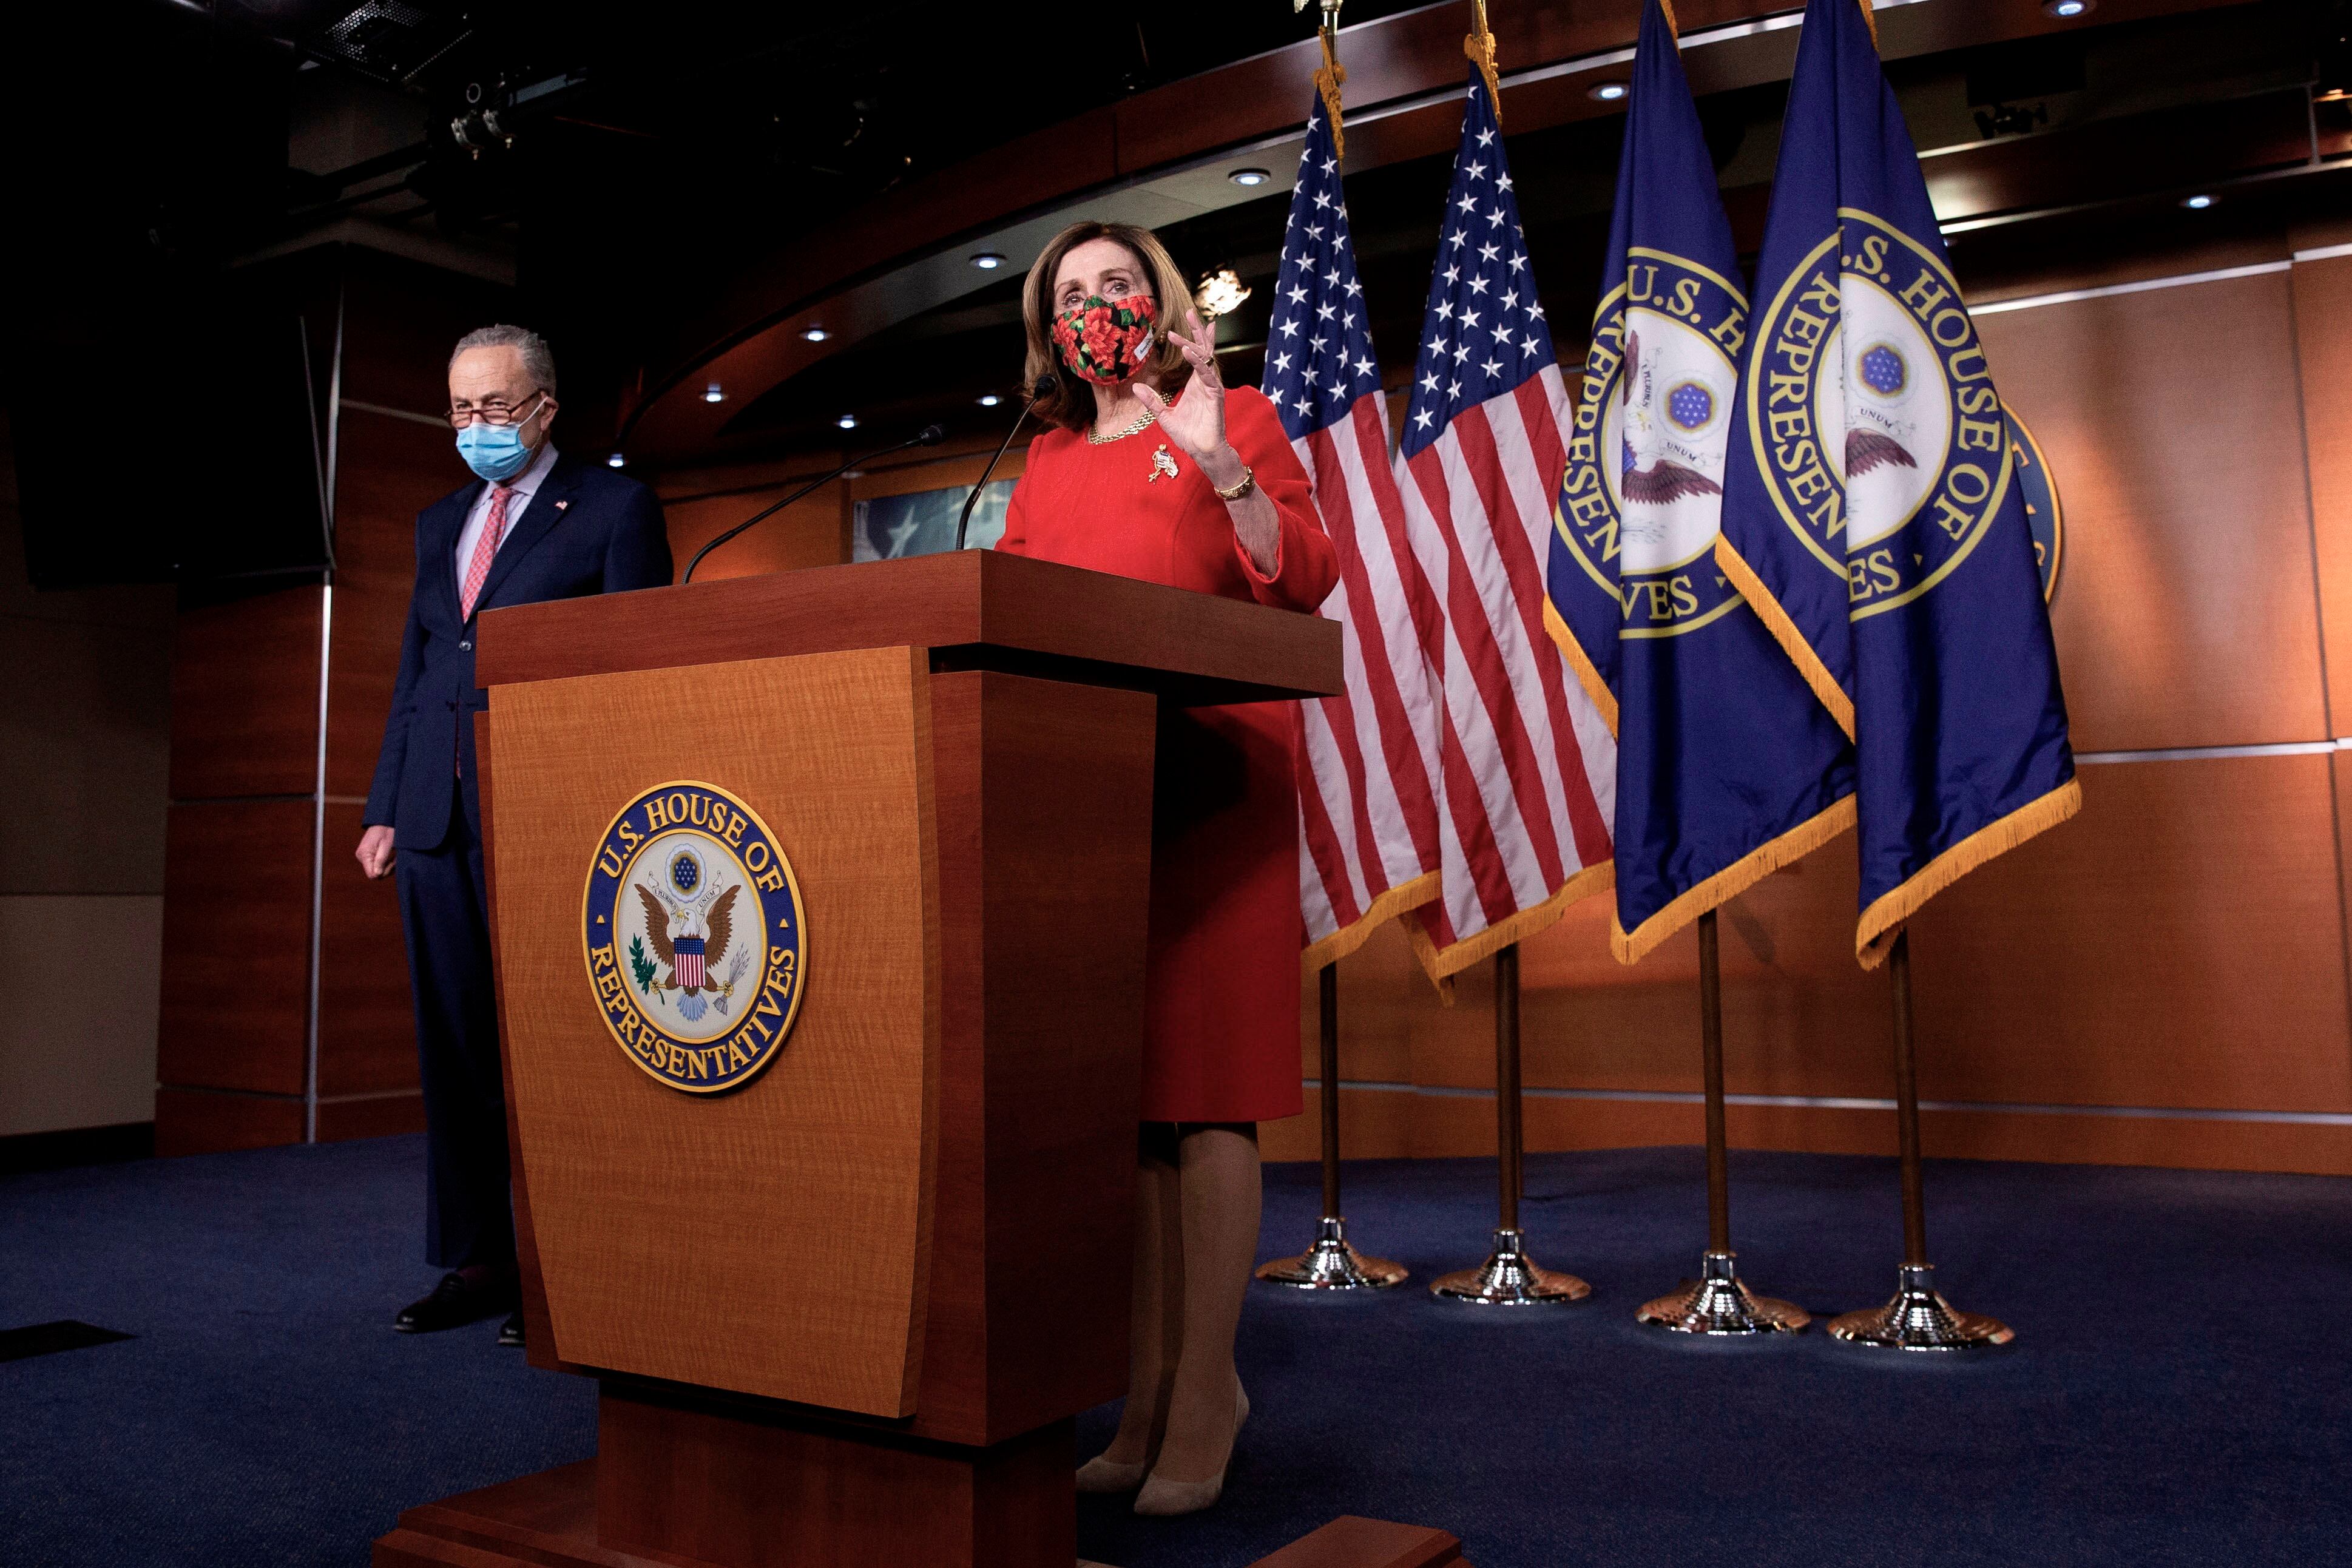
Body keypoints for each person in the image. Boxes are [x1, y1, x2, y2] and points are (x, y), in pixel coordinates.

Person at [995, 221, 1337, 1516]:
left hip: (1217, 784)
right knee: (1127, 1106)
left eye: (1116, 284)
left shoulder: (1229, 413)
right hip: (1091, 802)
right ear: (1047, 328)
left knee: (1209, 1096)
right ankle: (1142, 1396)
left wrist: (1221, 470)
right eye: (1070, 294)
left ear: (1159, 302)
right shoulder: (1039, 462)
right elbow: (1018, 614)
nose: (1097, 306)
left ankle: (1209, 1393)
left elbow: (1306, 577)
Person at [354, 325, 672, 1345]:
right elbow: (418, 673)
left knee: (554, 1053)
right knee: (454, 1050)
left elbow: (639, 672)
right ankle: (481, 1258)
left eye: (494, 407)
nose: (475, 427)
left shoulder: (615, 508)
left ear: (544, 407)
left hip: (553, 822)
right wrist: (384, 807)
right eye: (460, 409)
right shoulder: (439, 521)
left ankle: (567, 1261)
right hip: (436, 821)